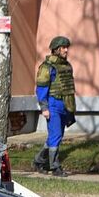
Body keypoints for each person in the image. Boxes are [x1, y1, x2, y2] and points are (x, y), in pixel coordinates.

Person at [33, 36, 76, 175]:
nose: (66, 50)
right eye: (63, 47)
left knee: (55, 136)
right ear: (56, 49)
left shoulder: (66, 66)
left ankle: (38, 161)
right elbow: (41, 89)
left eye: (66, 47)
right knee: (56, 135)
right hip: (53, 105)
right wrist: (44, 108)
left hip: (65, 105)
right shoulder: (47, 67)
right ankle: (55, 167)